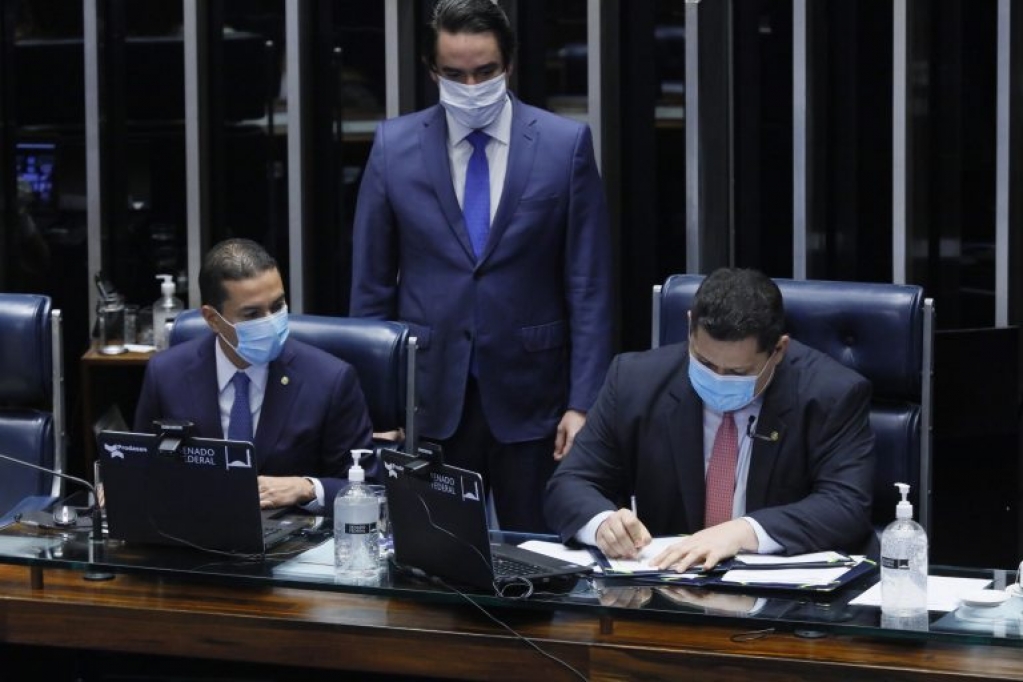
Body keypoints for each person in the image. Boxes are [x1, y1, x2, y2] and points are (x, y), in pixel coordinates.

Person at [350, 0, 612, 532]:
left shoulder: (565, 146)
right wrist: (376, 406)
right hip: (425, 398)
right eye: (455, 74)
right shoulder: (392, 146)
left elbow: (590, 286)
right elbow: (371, 285)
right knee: (431, 562)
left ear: (509, 64)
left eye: (485, 72)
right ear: (432, 72)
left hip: (534, 397)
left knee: (539, 566)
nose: (471, 86)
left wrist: (584, 403)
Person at [544, 268, 875, 571]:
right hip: (667, 591)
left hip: (787, 602)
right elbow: (570, 483)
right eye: (704, 362)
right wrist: (603, 524)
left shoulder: (832, 394)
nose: (717, 378)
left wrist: (743, 532)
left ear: (779, 350)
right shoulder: (634, 380)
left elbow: (846, 505)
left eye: (737, 372)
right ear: (690, 325)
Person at [134, 238, 374, 511]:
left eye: (277, 305)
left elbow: (369, 486)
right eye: (252, 314)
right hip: (193, 535)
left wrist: (307, 487)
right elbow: (141, 465)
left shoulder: (331, 379)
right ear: (213, 319)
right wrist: (118, 482)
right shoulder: (166, 373)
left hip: (292, 543)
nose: (270, 321)